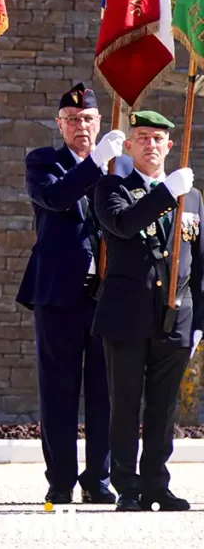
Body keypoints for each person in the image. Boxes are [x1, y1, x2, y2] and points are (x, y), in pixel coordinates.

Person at [17, 83, 130, 505]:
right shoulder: (44, 162)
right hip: (58, 293)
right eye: (72, 119)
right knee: (58, 391)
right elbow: (55, 197)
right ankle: (61, 480)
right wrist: (95, 164)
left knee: (105, 392)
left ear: (99, 123)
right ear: (60, 125)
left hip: (106, 294)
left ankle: (98, 479)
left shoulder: (120, 166)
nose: (81, 125)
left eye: (87, 119)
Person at [93, 110, 203, 512]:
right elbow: (123, 224)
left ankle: (157, 483)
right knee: (125, 404)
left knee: (163, 407)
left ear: (170, 146)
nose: (150, 145)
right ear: (128, 145)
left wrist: (199, 321)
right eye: (141, 137)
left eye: (158, 139)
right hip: (127, 315)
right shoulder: (112, 187)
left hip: (175, 316)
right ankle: (127, 486)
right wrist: (166, 192)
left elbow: (199, 262)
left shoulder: (192, 196)